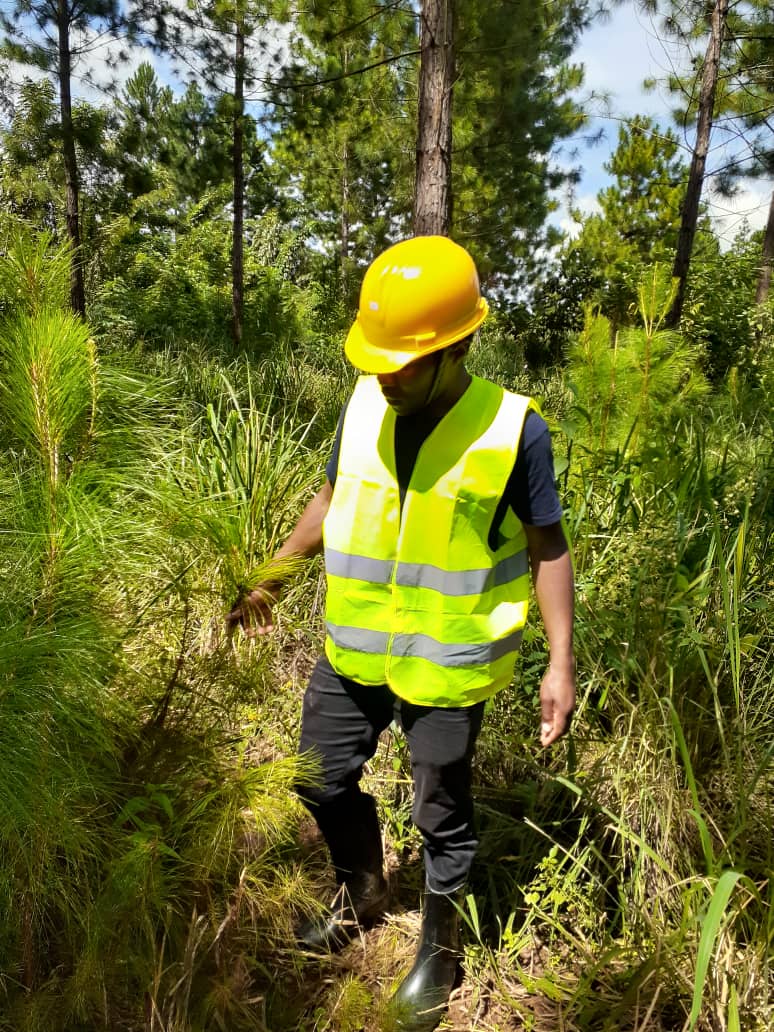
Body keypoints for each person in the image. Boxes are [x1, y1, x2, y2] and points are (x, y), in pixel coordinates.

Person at [227, 235, 575, 1032]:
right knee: (316, 777)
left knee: (441, 815)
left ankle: (438, 950)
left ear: (457, 347)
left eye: (404, 364)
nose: (385, 376)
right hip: (354, 645)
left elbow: (546, 542)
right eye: (377, 360)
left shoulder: (515, 430)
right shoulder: (364, 399)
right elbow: (331, 496)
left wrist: (562, 661)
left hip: (447, 662)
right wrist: (271, 576)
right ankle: (362, 888)